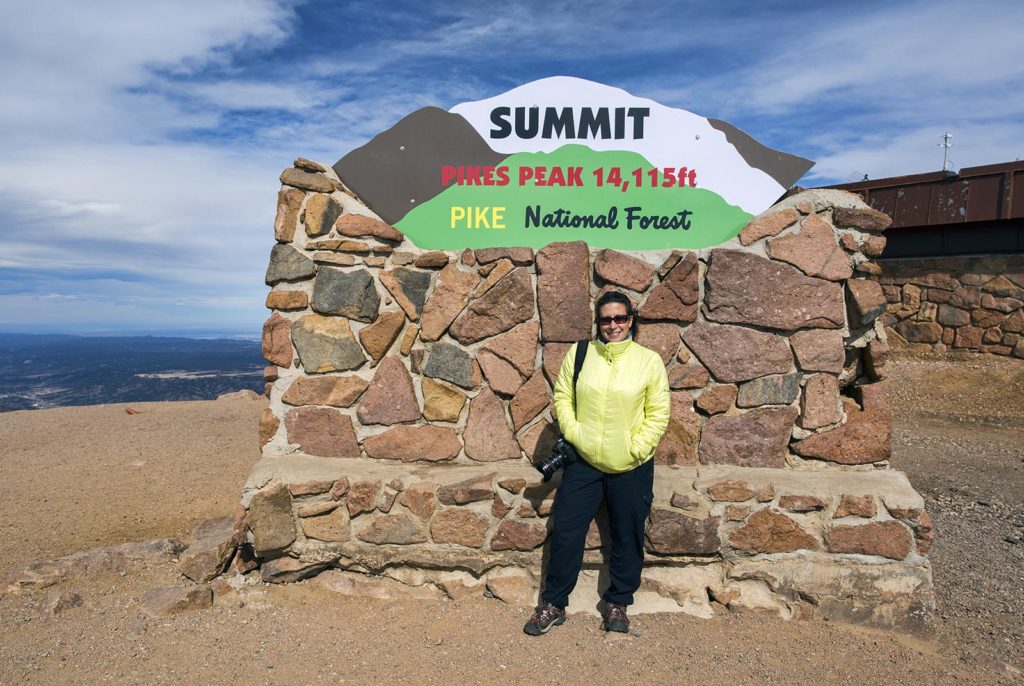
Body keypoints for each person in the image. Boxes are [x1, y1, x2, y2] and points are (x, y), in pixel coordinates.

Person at [524, 290, 670, 636]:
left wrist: (636, 448)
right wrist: (575, 433)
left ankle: (618, 603)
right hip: (584, 462)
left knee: (627, 536)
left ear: (631, 320)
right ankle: (554, 604)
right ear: (598, 323)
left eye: (620, 318)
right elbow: (563, 395)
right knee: (566, 534)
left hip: (631, 466)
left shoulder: (648, 361)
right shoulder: (580, 353)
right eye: (606, 319)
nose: (613, 325)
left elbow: (658, 413)